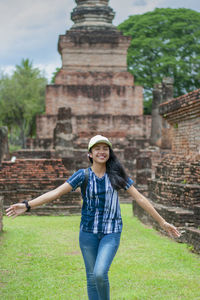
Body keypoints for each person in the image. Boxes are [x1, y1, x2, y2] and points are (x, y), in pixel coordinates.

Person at [6, 135, 181, 300]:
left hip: (111, 232)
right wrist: (27, 205)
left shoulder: (117, 175)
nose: (101, 151)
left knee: (99, 273)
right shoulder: (83, 175)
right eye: (97, 148)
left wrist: (162, 222)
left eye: (105, 148)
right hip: (88, 232)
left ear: (110, 153)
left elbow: (140, 198)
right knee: (91, 277)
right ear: (90, 154)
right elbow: (57, 192)